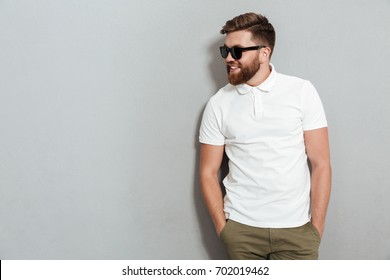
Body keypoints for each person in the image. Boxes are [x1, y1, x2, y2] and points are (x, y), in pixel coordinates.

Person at [199, 12, 331, 260]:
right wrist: (224, 230)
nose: (229, 58)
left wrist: (316, 229)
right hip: (241, 231)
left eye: (237, 51)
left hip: (297, 230)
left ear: (264, 53)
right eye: (225, 51)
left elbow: (321, 163)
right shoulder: (218, 104)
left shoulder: (301, 91)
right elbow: (208, 172)